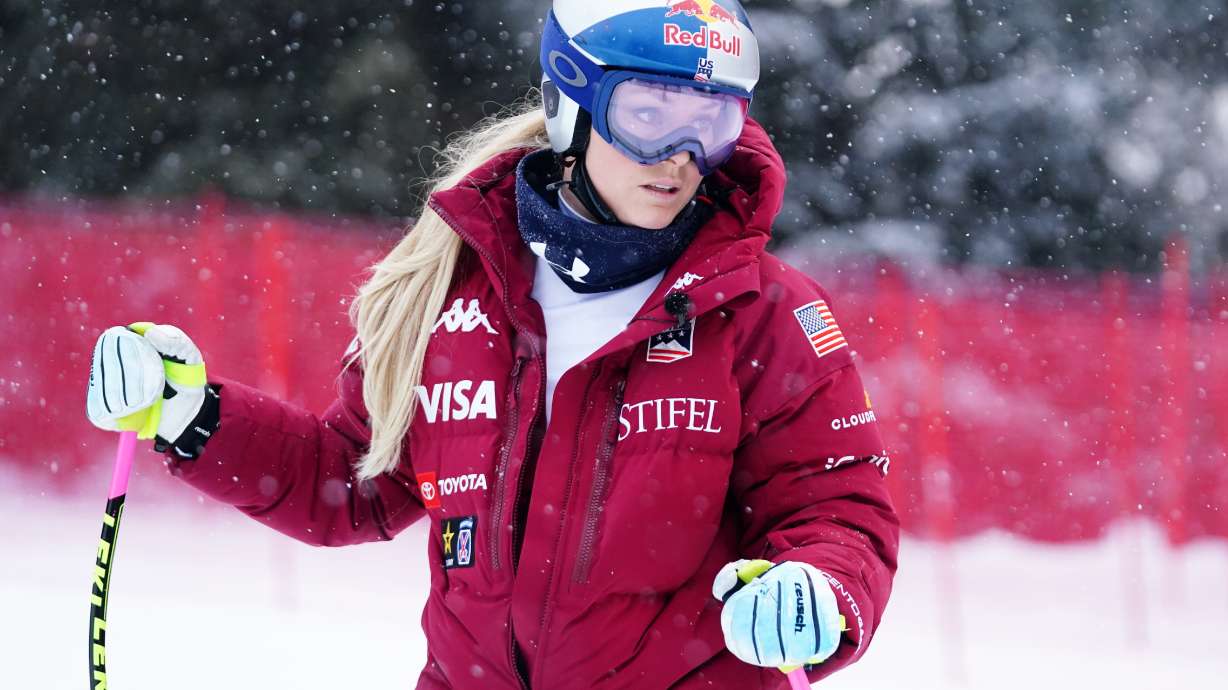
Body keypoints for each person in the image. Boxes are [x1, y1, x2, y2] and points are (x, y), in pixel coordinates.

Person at [85, 1, 898, 687]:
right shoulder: (455, 291)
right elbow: (351, 479)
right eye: (646, 116)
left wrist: (818, 590)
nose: (679, 159)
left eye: (708, 124)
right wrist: (191, 414)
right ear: (572, 105)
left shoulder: (763, 315)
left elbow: (837, 508)